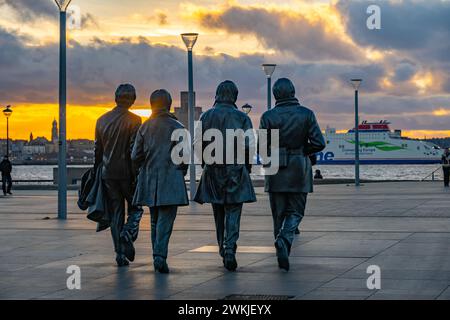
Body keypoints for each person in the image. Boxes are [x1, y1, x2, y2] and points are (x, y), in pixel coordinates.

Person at [259, 78, 326, 271]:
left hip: (274, 168)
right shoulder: (306, 114)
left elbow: (262, 148)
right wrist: (303, 149)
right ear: (293, 92)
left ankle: (281, 248)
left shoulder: (267, 116)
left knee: (277, 214)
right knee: (296, 211)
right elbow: (319, 142)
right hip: (298, 166)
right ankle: (284, 238)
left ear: (275, 95)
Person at [194, 80, 256, 271]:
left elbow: (197, 143)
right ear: (234, 96)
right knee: (233, 211)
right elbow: (249, 145)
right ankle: (230, 249)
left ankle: (223, 247)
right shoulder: (242, 117)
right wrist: (247, 166)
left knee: (218, 212)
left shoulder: (206, 116)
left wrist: (205, 162)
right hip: (235, 169)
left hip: (213, 170)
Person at [131, 89, 189, 273]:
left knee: (155, 219)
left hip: (149, 180)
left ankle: (157, 254)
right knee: (165, 219)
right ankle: (159, 256)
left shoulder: (145, 127)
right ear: (169, 104)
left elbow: (135, 156)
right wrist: (181, 171)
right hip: (170, 180)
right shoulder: (178, 127)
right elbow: (184, 157)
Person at [94, 84, 144, 267]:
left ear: (116, 98)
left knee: (115, 213)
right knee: (136, 208)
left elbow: (97, 151)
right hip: (128, 173)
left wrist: (97, 171)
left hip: (108, 174)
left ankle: (119, 254)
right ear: (132, 99)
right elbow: (134, 151)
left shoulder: (101, 120)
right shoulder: (135, 120)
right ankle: (127, 234)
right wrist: (137, 173)